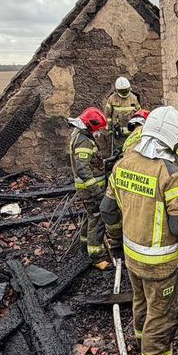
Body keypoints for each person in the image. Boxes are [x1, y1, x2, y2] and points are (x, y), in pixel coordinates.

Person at [101, 106, 178, 355]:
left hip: (132, 256)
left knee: (140, 301)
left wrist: (116, 241)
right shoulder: (171, 174)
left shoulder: (123, 164)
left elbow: (108, 210)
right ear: (175, 138)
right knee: (162, 313)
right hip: (161, 264)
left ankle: (142, 344)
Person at [67, 107, 111, 270]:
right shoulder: (83, 141)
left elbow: (91, 162)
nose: (99, 132)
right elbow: (83, 169)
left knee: (90, 216)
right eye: (98, 128)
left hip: (87, 189)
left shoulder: (80, 136)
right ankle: (96, 257)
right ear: (90, 125)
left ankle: (84, 245)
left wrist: (104, 163)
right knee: (97, 219)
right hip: (90, 190)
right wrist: (97, 192)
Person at [103, 76, 141, 154]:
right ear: (117, 91)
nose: (124, 93)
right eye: (122, 91)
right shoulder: (112, 99)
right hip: (118, 132)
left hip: (131, 133)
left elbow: (139, 114)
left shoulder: (133, 98)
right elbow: (108, 115)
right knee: (118, 153)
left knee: (131, 152)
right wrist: (110, 130)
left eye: (125, 91)